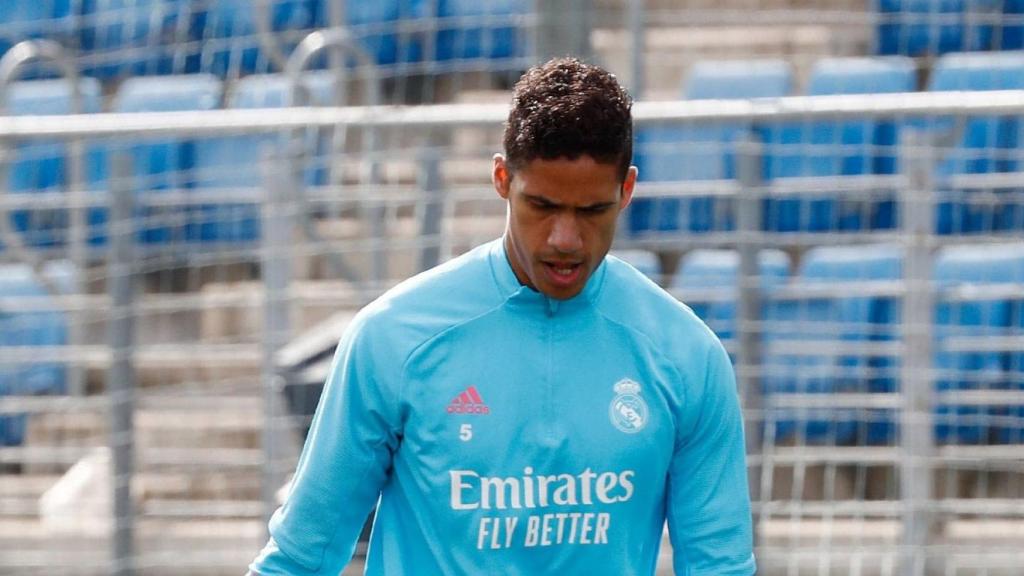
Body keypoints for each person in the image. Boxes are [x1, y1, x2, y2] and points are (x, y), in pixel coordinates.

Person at [248, 57, 755, 576]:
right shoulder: (394, 340)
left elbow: (721, 567)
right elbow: (297, 560)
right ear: (501, 179)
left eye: (592, 211)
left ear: (626, 191)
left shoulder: (686, 356)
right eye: (542, 205)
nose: (565, 239)